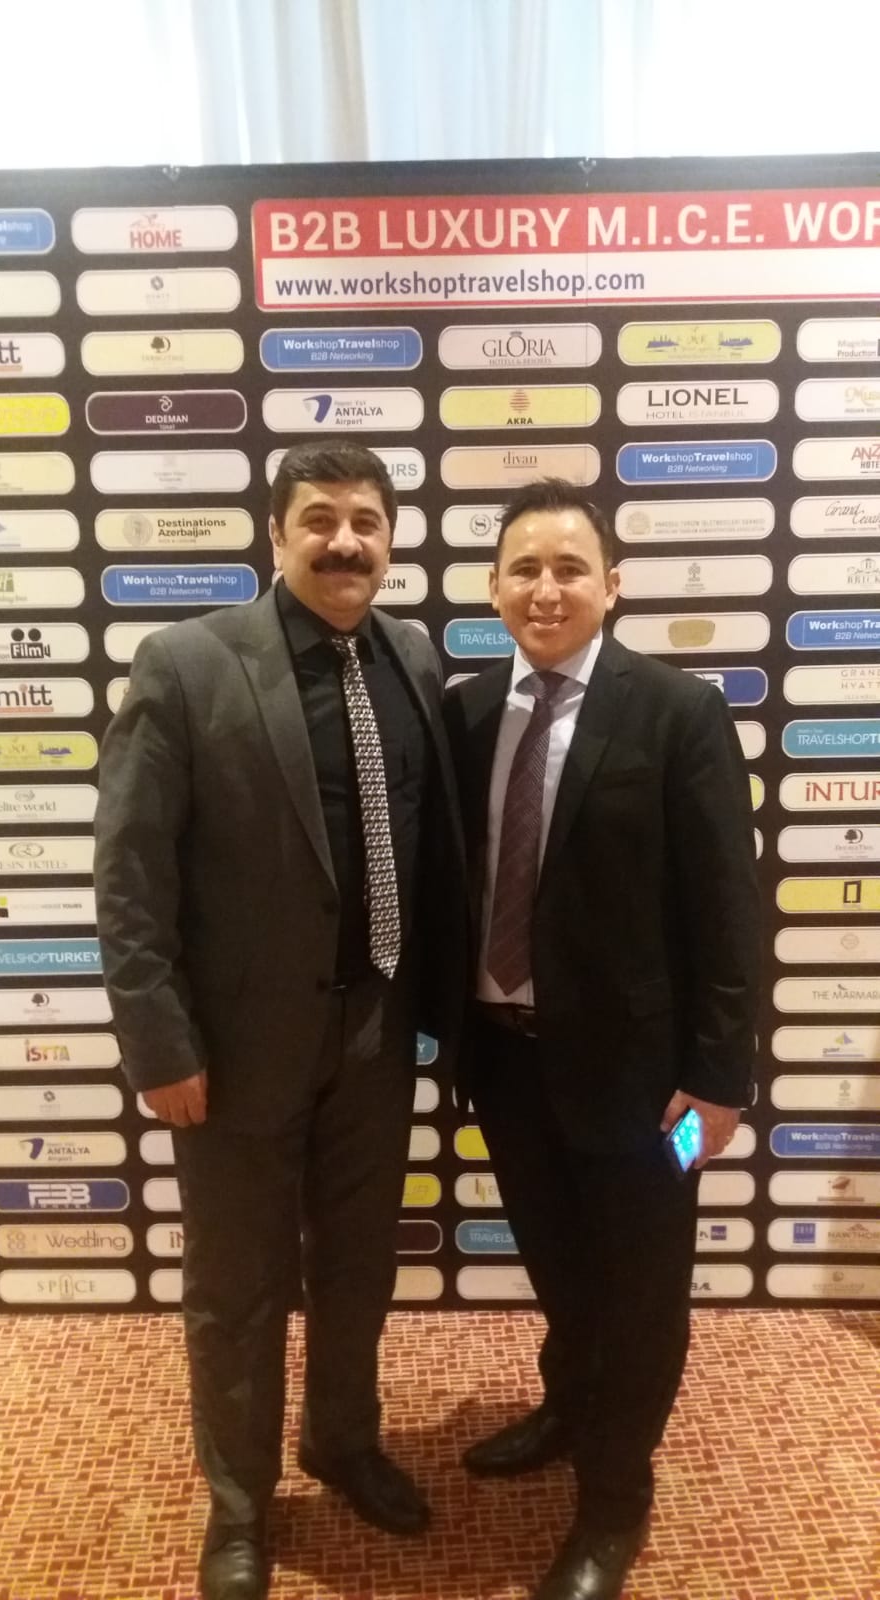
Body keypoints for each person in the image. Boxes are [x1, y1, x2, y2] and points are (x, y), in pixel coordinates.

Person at [94, 440, 464, 1600]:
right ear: (277, 534)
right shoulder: (187, 664)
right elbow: (131, 873)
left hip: (377, 1035)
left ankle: (342, 1440)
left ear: (390, 537)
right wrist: (160, 1042)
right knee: (237, 1289)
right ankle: (242, 1503)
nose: (344, 541)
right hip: (234, 1050)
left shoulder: (413, 655)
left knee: (358, 1268)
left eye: (366, 521)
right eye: (320, 519)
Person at [444, 479, 760, 1600]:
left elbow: (728, 908)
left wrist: (720, 1082)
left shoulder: (678, 712)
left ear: (612, 586)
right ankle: (570, 1409)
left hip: (655, 1090)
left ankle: (615, 1498)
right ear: (494, 587)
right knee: (561, 1266)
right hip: (506, 1062)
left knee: (645, 1290)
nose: (547, 588)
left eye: (570, 568)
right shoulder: (465, 713)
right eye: (524, 568)